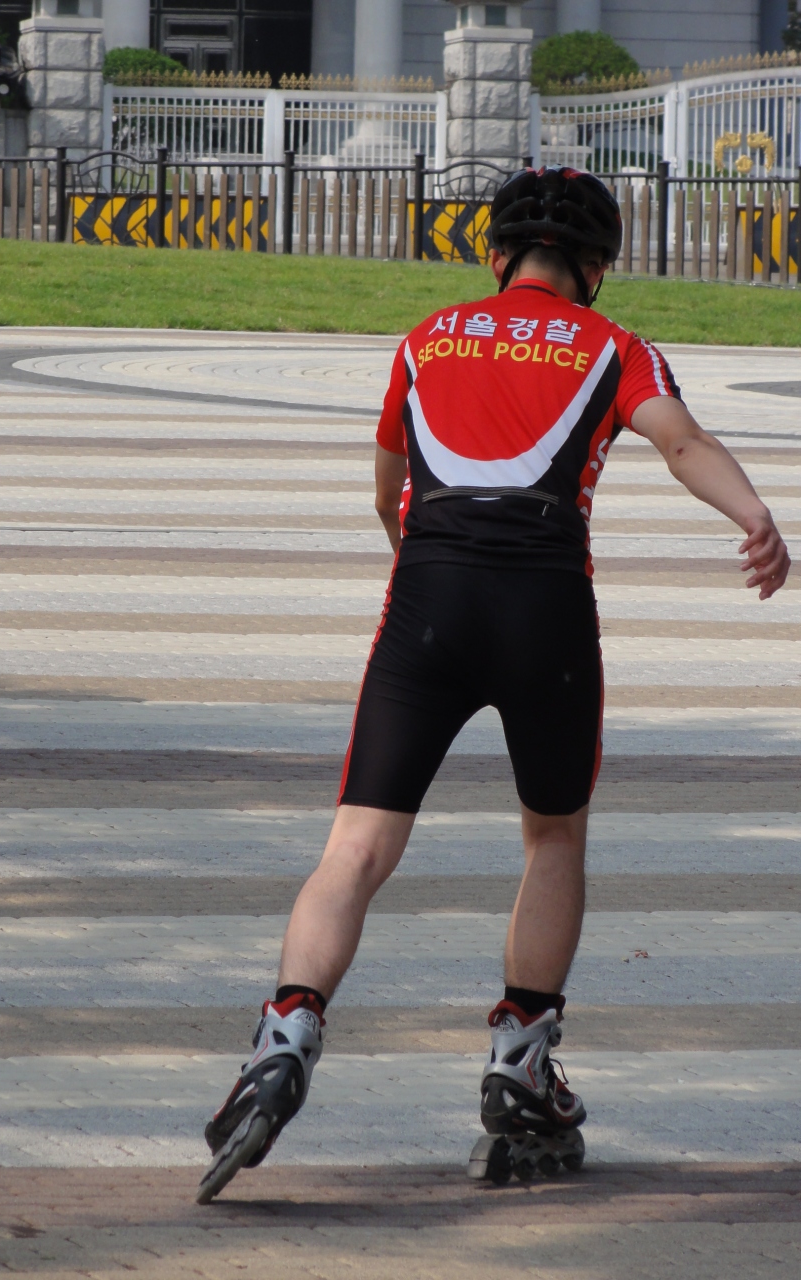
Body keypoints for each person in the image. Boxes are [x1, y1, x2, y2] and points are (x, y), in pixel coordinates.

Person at [196, 166, 791, 1202]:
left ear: (495, 255)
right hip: (545, 606)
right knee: (552, 835)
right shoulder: (614, 346)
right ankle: (520, 1059)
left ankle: (283, 1038)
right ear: (596, 267)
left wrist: (424, 574)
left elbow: (387, 488)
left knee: (356, 846)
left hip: (427, 596)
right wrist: (756, 519)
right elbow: (682, 441)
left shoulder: (428, 338)